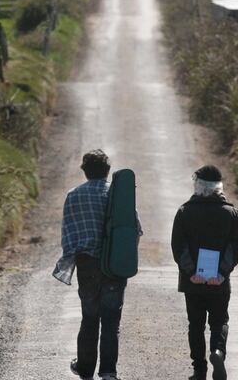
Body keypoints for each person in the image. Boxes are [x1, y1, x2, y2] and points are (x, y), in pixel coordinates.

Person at [54, 150, 142, 380]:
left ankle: (85, 369)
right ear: (107, 171)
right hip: (113, 264)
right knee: (111, 320)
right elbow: (136, 230)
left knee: (90, 317)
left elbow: (68, 236)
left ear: (84, 171)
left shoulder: (73, 196)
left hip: (86, 265)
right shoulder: (117, 196)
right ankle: (108, 372)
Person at [171, 165, 238, 380]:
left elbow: (178, 246)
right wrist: (221, 273)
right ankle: (218, 352)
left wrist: (192, 271)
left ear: (198, 185)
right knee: (219, 321)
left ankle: (199, 371)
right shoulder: (232, 214)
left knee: (195, 324)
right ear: (218, 187)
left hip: (193, 282)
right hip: (219, 282)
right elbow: (234, 248)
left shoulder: (185, 211)